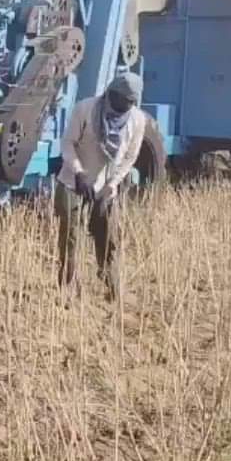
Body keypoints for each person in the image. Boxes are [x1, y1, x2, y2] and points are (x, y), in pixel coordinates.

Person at [55, 72, 146, 302]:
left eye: (130, 104)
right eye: (122, 101)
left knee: (108, 236)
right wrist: (79, 172)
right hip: (73, 181)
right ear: (111, 94)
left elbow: (130, 157)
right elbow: (67, 143)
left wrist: (112, 184)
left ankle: (111, 286)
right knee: (71, 237)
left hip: (105, 187)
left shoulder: (137, 120)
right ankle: (67, 286)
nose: (125, 107)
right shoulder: (85, 109)